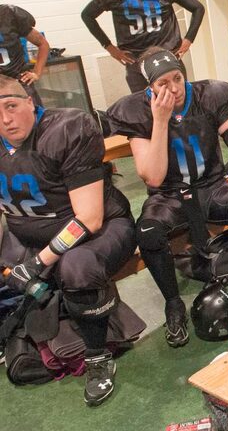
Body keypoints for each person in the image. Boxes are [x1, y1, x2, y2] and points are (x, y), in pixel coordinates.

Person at [107, 48, 228, 348]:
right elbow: (154, 177)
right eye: (162, 83)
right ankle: (173, 304)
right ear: (149, 87)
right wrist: (160, 121)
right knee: (147, 231)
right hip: (169, 195)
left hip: (213, 187)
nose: (173, 88)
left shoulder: (210, 95)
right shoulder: (136, 111)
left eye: (177, 77)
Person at [0, 75, 136, 406]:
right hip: (32, 230)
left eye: (11, 106)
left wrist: (36, 262)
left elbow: (89, 218)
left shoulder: (68, 128)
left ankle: (97, 357)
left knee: (77, 267)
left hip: (98, 228)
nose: (5, 119)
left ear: (29, 100)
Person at [81, 0, 205, 92]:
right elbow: (87, 15)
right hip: (136, 60)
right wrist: (109, 47)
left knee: (179, 102)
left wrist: (188, 39)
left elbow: (198, 8)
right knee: (144, 108)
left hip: (166, 55)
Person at [0, 4, 50, 106]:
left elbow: (43, 44)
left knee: (34, 120)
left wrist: (36, 73)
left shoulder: (8, 14)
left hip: (18, 83)